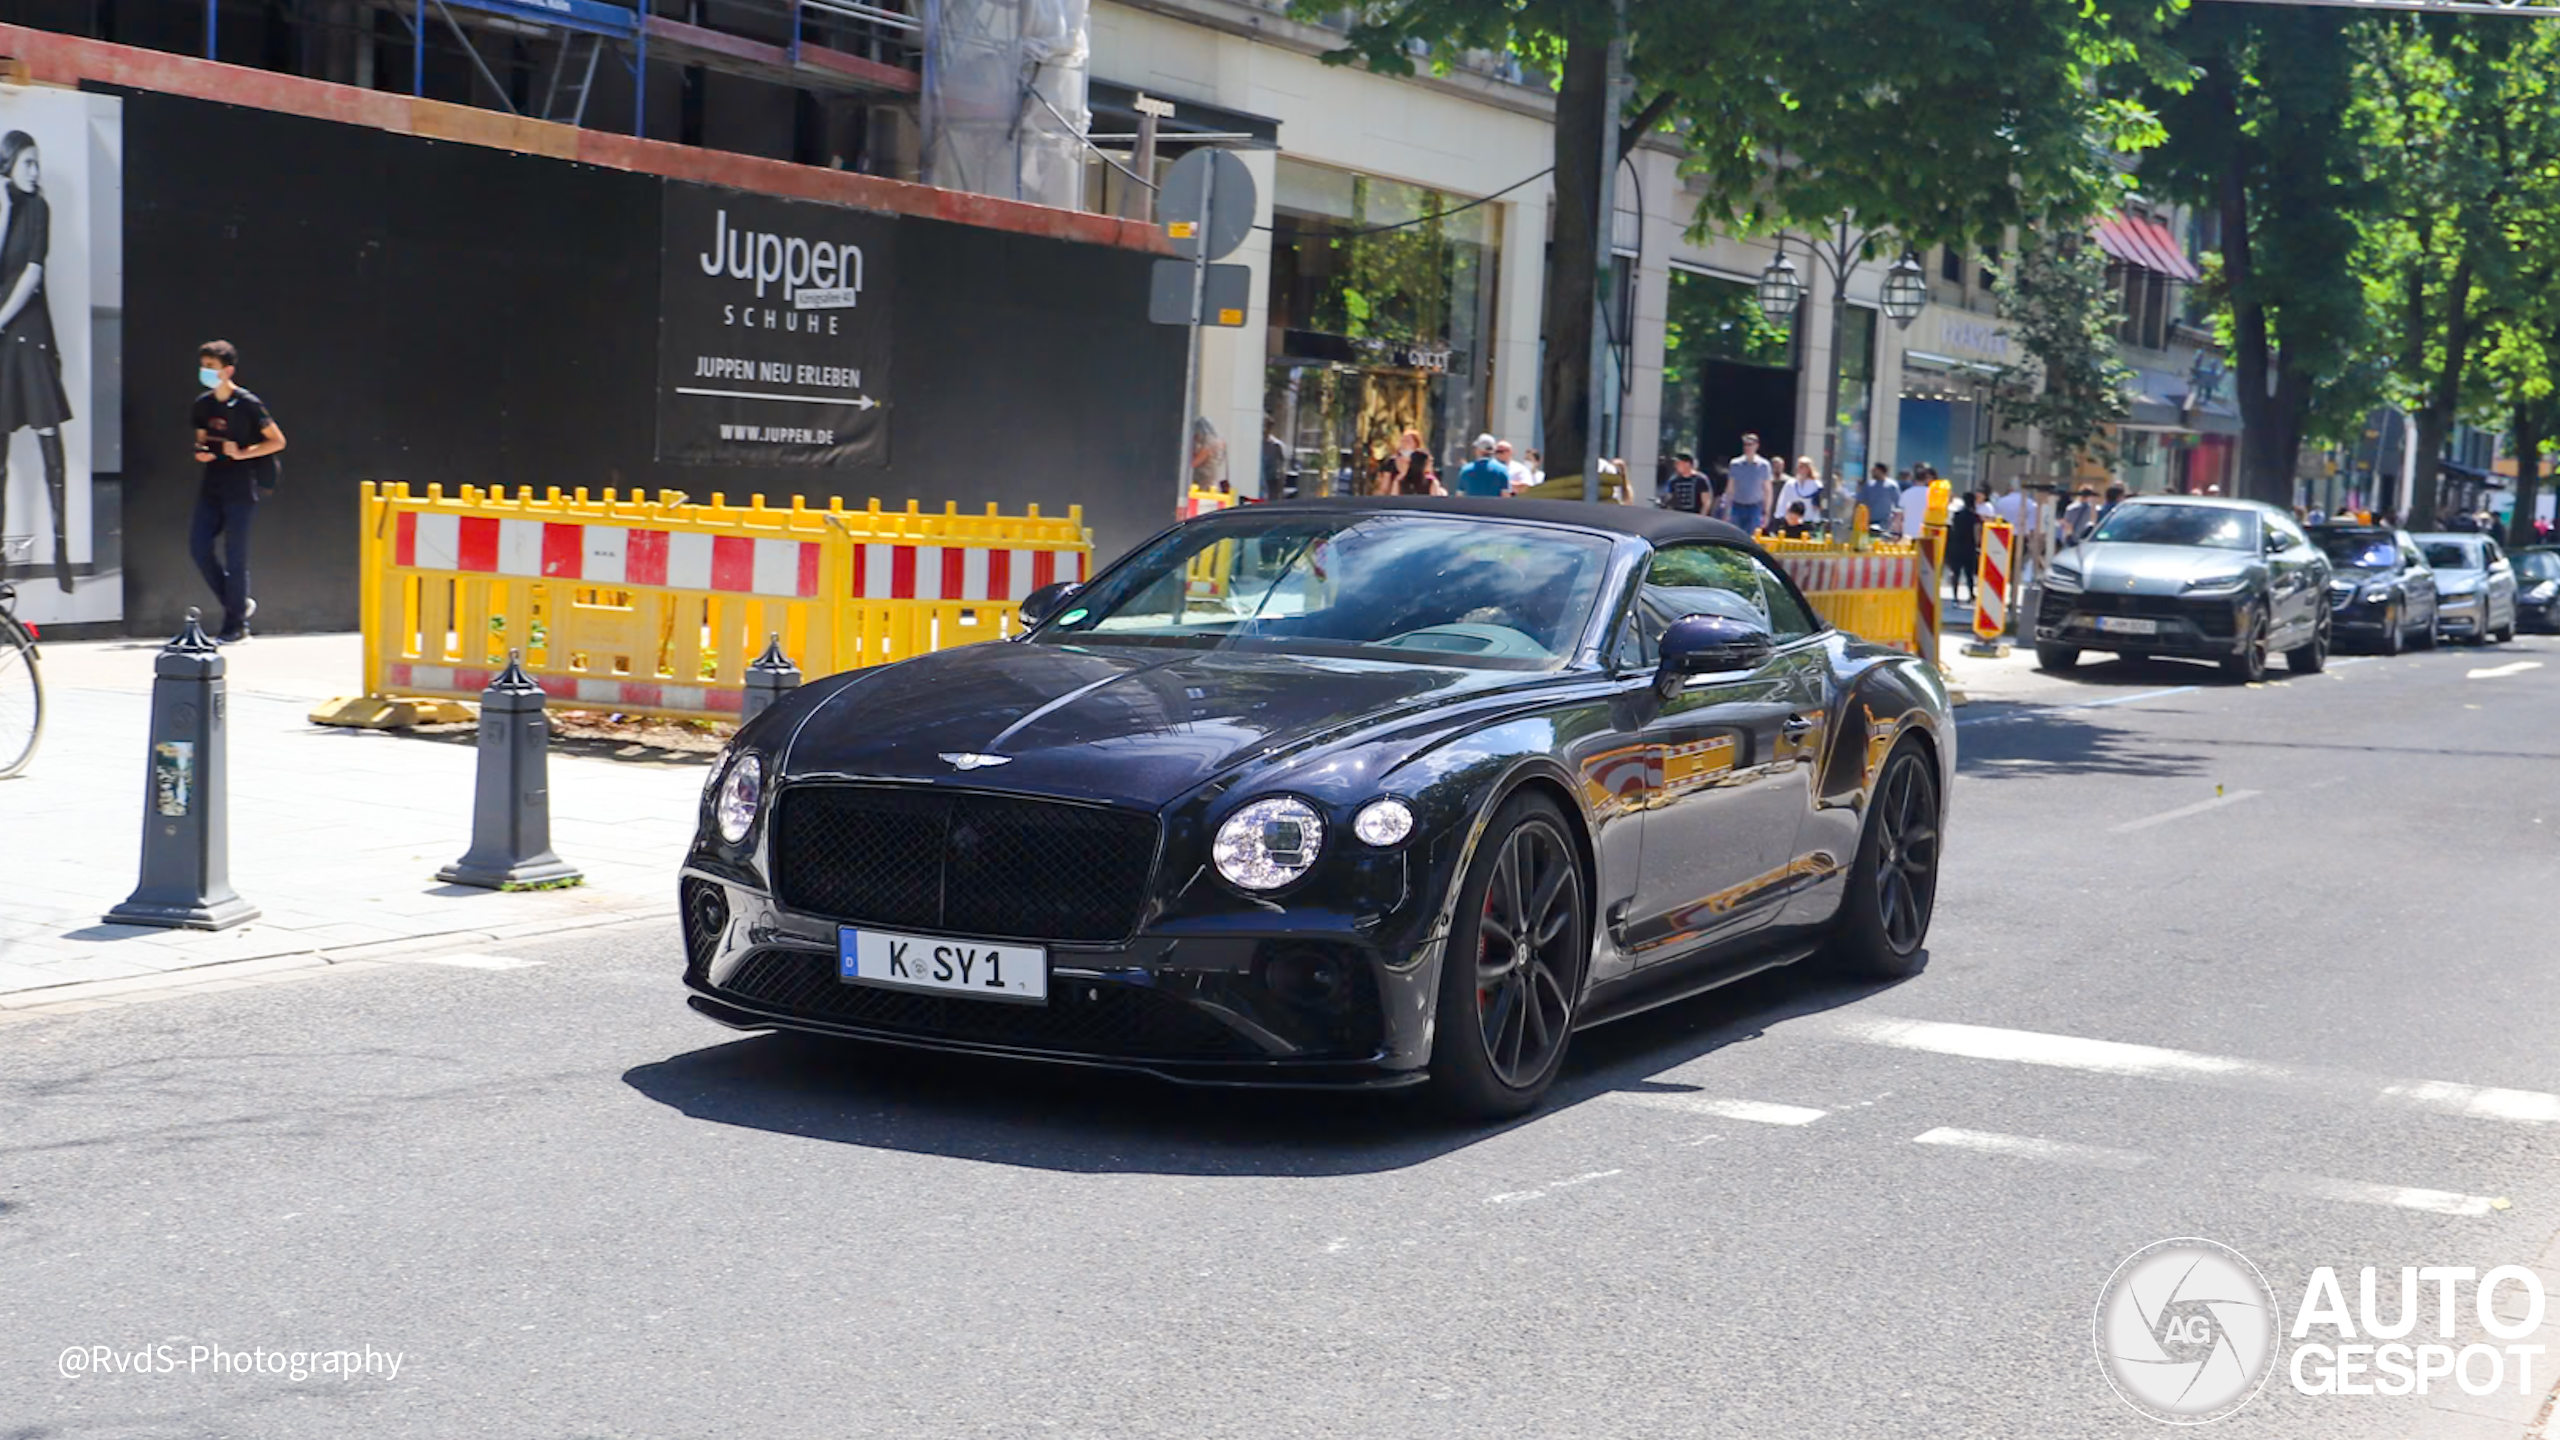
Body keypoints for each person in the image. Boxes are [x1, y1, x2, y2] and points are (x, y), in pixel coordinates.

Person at [0, 131, 76, 592]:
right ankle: (4, 565)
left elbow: (32, 273)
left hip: (29, 334)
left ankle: (61, 549)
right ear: (8, 163)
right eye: (28, 162)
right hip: (4, 341)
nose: (35, 172)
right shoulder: (7, 208)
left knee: (48, 434)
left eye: (38, 162)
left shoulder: (38, 208)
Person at [189, 340, 287, 644]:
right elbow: (201, 440)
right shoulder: (202, 405)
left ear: (227, 371)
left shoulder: (247, 403)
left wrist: (243, 453)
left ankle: (235, 627)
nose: (206, 371)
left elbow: (277, 441)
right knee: (198, 546)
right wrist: (202, 452)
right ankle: (238, 604)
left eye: (212, 367)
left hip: (242, 483)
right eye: (203, 366)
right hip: (212, 482)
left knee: (236, 554)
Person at [1725, 433, 1774, 533]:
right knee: (1735, 535)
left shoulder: (1764, 465)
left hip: (1755, 507)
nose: (1747, 447)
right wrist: (1727, 509)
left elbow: (1767, 490)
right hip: (1737, 506)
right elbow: (1730, 488)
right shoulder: (1735, 464)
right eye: (1745, 445)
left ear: (1757, 446)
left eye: (1750, 445)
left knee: (1751, 537)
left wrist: (1767, 513)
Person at [1946, 489, 1982, 603]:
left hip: (1956, 545)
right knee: (1969, 573)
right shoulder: (1975, 516)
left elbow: (1953, 529)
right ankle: (1970, 594)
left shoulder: (1957, 515)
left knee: (1956, 572)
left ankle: (1955, 596)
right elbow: (1977, 532)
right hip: (1969, 546)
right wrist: (1978, 545)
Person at [1855, 462, 1900, 534]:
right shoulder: (1869, 485)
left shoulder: (1891, 486)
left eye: (1874, 470)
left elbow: (1898, 504)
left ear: (1881, 471)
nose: (1872, 472)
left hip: (1885, 522)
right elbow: (1860, 501)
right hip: (1869, 520)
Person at [1778, 457, 1824, 526]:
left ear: (1808, 469)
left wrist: (1816, 518)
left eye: (1802, 467)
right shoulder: (1790, 483)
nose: (1799, 469)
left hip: (1809, 520)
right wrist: (1780, 515)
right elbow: (1783, 500)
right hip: (1791, 520)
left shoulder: (1816, 485)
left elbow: (1819, 504)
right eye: (1799, 466)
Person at [1897, 466, 1934, 540]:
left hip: (1908, 533)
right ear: (1927, 479)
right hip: (1926, 533)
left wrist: (1897, 533)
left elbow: (1899, 516)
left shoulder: (1906, 493)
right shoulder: (1932, 494)